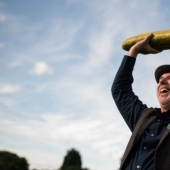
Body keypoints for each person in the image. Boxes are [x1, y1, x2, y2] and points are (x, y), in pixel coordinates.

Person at [111, 33, 170, 170]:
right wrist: (134, 51)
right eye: (160, 79)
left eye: (169, 78)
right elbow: (120, 90)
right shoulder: (143, 117)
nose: (161, 81)